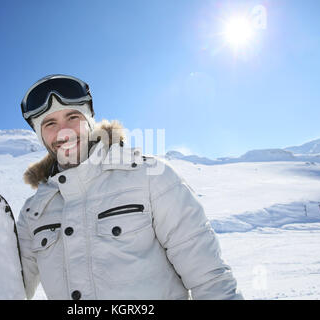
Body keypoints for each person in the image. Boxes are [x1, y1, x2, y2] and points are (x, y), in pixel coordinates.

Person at [18, 74, 243, 300]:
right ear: (40, 135)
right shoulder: (34, 212)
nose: (63, 131)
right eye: (50, 123)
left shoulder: (149, 176)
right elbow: (11, 289)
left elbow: (210, 278)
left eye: (72, 117)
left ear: (89, 121)